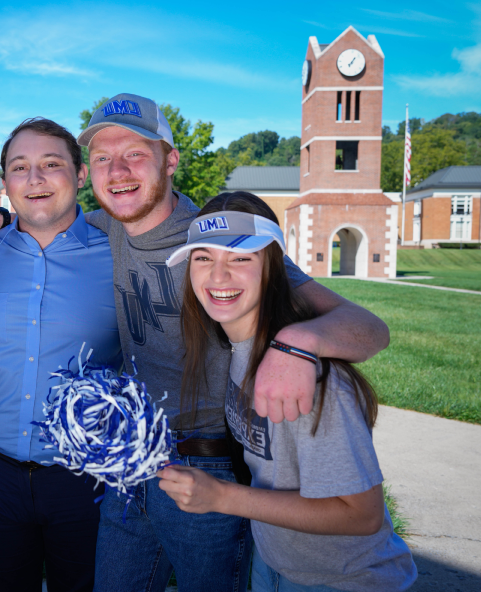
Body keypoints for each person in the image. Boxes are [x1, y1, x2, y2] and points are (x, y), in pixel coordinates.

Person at [0, 93, 391, 591]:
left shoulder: (215, 241)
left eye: (136, 154)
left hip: (205, 464)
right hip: (124, 460)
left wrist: (297, 344)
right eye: (103, 158)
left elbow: (367, 327)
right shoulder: (103, 227)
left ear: (170, 159)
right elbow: (43, 215)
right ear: (88, 173)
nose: (118, 171)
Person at [157, 191, 416, 592]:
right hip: (276, 564)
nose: (218, 276)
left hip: (344, 580)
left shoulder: (307, 379)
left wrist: (222, 497)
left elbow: (360, 515)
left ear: (273, 270)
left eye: (240, 258)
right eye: (203, 258)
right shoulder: (239, 350)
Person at [0, 118, 120, 592]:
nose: (35, 179)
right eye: (20, 167)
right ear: (4, 182)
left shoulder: (120, 253)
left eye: (51, 164)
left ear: (82, 173)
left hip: (87, 479)